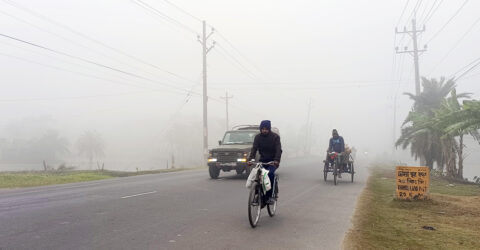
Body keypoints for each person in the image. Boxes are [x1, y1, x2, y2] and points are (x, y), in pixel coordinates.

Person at [248, 120, 282, 205]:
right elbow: (254, 149)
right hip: (262, 161)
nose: (264, 130)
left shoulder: (275, 137)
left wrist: (276, 160)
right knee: (258, 176)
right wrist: (251, 159)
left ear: (269, 129)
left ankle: (270, 196)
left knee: (270, 174)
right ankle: (257, 195)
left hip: (272, 161)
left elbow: (278, 150)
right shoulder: (257, 137)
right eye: (262, 129)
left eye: (266, 129)